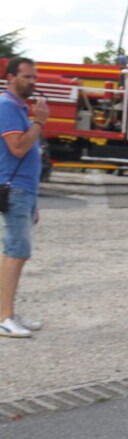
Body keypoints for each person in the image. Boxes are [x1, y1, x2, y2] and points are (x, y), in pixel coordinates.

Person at [0, 57, 49, 338]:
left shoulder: (17, 107)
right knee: (16, 253)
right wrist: (39, 123)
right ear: (10, 77)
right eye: (27, 77)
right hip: (16, 187)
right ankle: (5, 316)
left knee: (16, 253)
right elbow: (17, 148)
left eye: (34, 77)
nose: (33, 82)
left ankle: (9, 313)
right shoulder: (6, 106)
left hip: (25, 190)